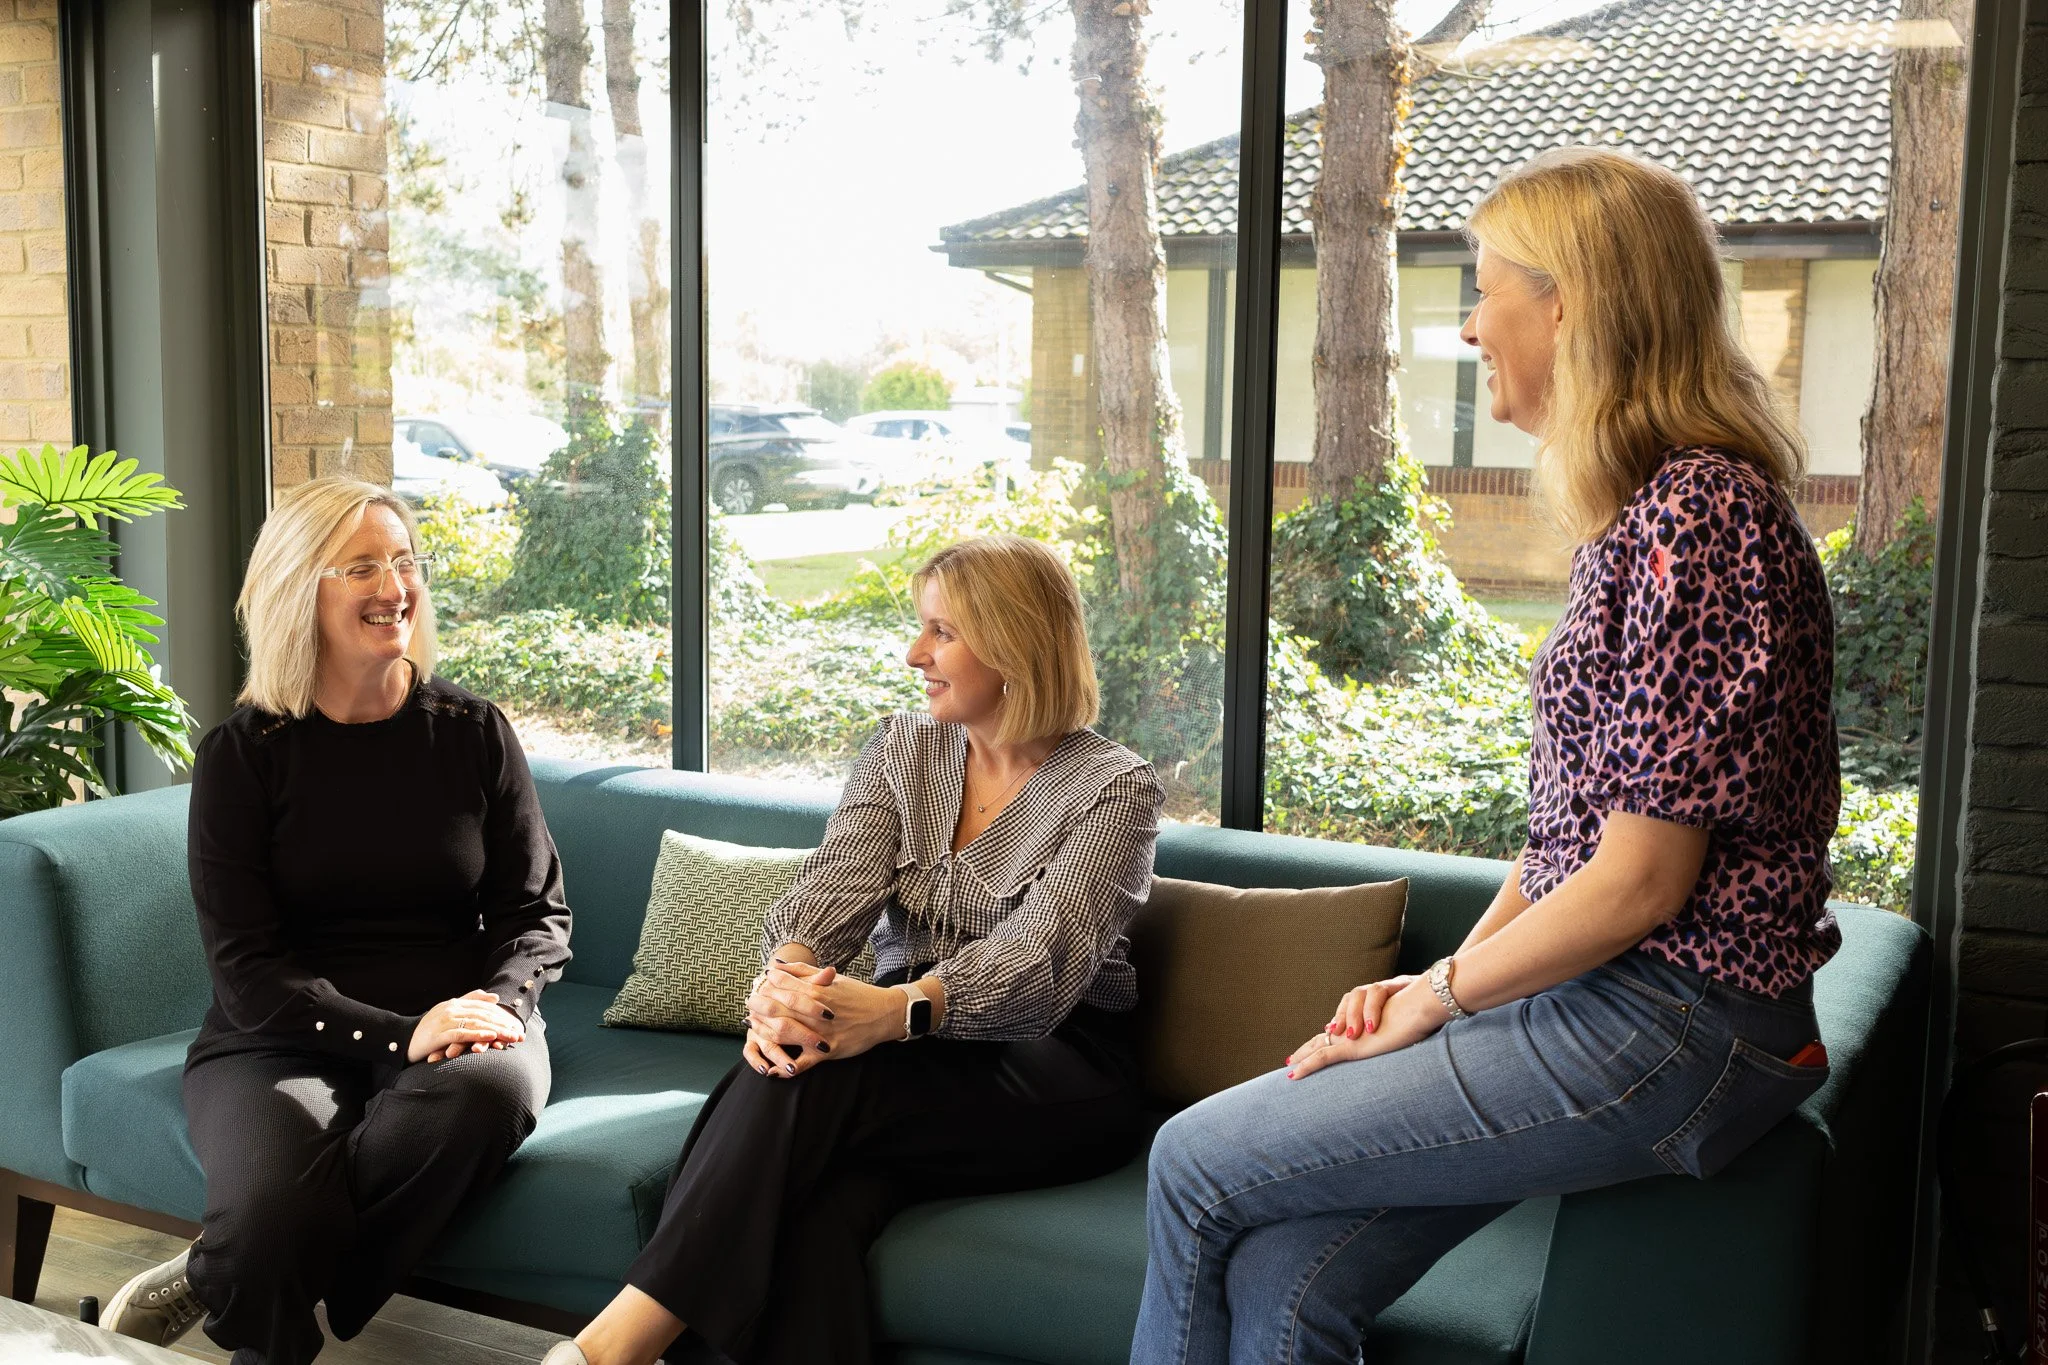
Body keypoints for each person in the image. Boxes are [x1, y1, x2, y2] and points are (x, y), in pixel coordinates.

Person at [1130, 146, 1844, 1365]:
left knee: (1192, 1159)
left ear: (1568, 301)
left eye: (1483, 287)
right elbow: (1566, 837)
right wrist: (1443, 985)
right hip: (1617, 1000)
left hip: (1669, 1019)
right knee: (1283, 1271)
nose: (1467, 326)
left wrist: (1438, 997)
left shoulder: (1699, 516)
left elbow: (1640, 882)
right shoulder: (1643, 521)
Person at [544, 533, 1163, 1365]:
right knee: (812, 1198)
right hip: (906, 1063)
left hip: (1056, 1069)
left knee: (806, 1080)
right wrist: (786, 979)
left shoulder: (1115, 788)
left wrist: (898, 1008)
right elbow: (831, 889)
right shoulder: (903, 749)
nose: (916, 654)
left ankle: (605, 1350)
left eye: (941, 632)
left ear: (1014, 642)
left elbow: (1043, 965)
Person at [104, 478, 572, 1364]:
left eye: (404, 561)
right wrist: (399, 1036)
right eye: (361, 565)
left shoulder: (472, 730)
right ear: (297, 588)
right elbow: (245, 969)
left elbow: (535, 909)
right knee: (269, 1205)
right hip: (277, 1033)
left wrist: (502, 1006)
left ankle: (222, 1277)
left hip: (461, 1016)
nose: (394, 585)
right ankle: (254, 1276)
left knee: (493, 1090)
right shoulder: (243, 757)